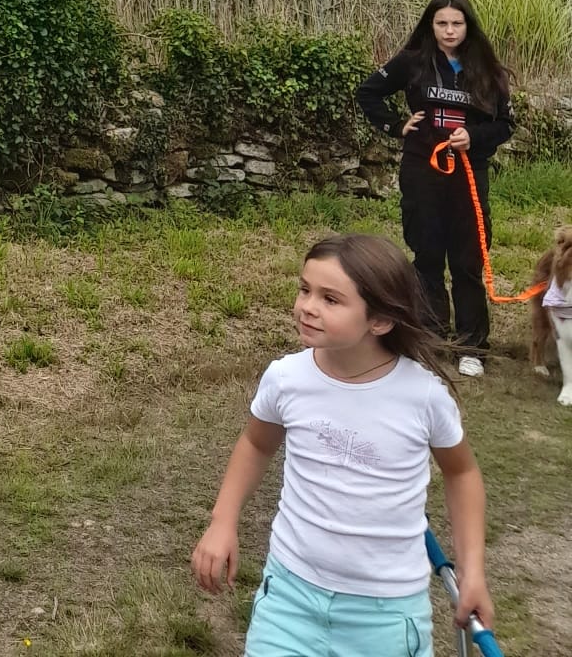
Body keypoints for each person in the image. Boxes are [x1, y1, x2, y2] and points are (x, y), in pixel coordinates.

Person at [192, 232, 493, 654]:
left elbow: (461, 473)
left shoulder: (423, 397)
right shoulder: (286, 378)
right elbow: (256, 444)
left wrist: (472, 572)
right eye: (305, 289)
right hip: (289, 598)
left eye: (330, 299)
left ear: (381, 320)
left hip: (386, 614)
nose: (307, 307)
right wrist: (223, 522)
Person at [356, 0, 515, 377]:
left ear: (468, 26)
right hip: (422, 172)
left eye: (456, 24)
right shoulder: (413, 62)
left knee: (467, 262)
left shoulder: (488, 70)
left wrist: (473, 137)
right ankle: (431, 339)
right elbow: (368, 92)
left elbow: (505, 125)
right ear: (431, 25)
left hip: (468, 176)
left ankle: (471, 347)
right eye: (441, 23)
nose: (449, 30)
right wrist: (396, 125)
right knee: (426, 257)